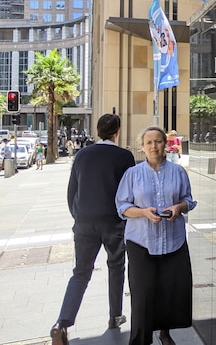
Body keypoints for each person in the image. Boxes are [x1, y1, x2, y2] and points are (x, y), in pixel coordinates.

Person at [51, 114, 135, 345]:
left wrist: (78, 217)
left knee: (81, 272)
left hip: (84, 223)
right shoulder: (124, 156)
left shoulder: (82, 155)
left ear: (98, 131)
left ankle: (62, 323)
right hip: (114, 223)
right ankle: (114, 316)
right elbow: (131, 191)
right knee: (116, 267)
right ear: (117, 131)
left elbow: (72, 192)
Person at [116, 127, 197, 345]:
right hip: (141, 241)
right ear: (142, 146)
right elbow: (122, 207)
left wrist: (178, 208)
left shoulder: (178, 172)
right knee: (142, 294)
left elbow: (188, 200)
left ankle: (164, 332)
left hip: (173, 241)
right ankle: (140, 340)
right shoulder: (132, 174)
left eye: (158, 141)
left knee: (169, 291)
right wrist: (143, 212)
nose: (154, 146)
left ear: (165, 144)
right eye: (149, 142)